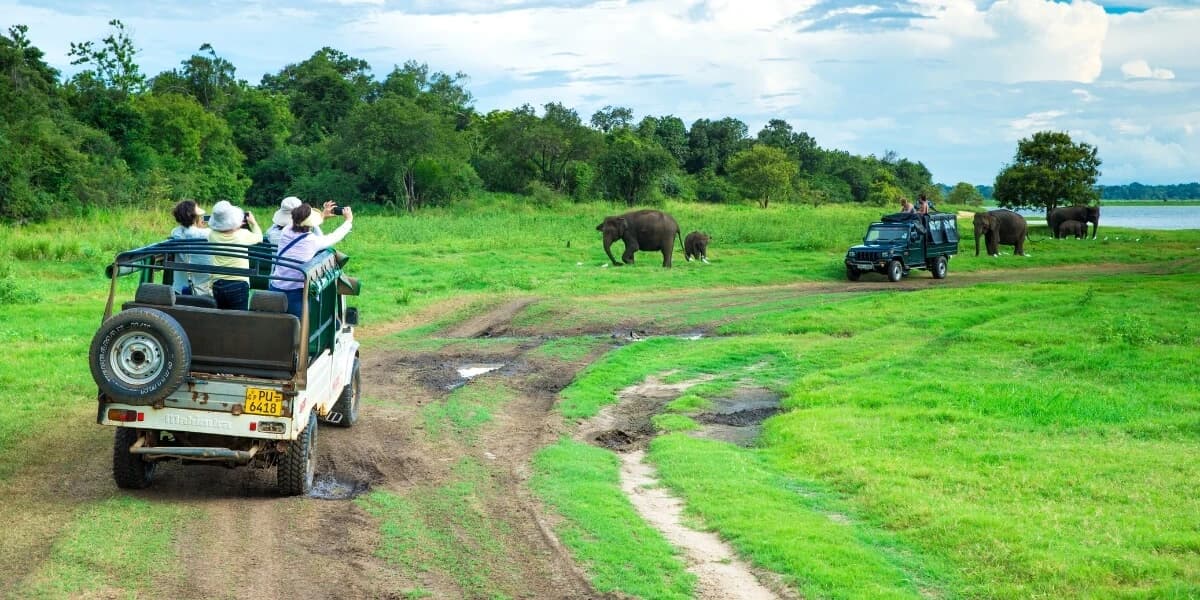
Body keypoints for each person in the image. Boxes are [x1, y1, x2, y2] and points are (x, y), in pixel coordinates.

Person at [269, 202, 353, 320]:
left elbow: (301, 223)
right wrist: (348, 221)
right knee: (297, 329)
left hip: (275, 287)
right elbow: (334, 236)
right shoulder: (312, 241)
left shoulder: (285, 231)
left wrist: (322, 216)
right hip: (296, 292)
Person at [207, 200, 263, 310]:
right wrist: (253, 222)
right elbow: (259, 237)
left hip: (217, 283)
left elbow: (218, 229)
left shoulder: (212, 235)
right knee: (239, 319)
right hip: (238, 283)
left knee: (222, 318)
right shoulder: (242, 234)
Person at [168, 200, 212, 296]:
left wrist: (195, 225)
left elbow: (187, 231)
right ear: (195, 217)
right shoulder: (207, 233)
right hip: (204, 290)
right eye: (199, 216)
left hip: (179, 289)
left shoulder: (175, 233)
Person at [267, 196, 335, 244]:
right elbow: (321, 241)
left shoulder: (272, 233)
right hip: (304, 265)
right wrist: (314, 221)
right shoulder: (305, 238)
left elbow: (271, 230)